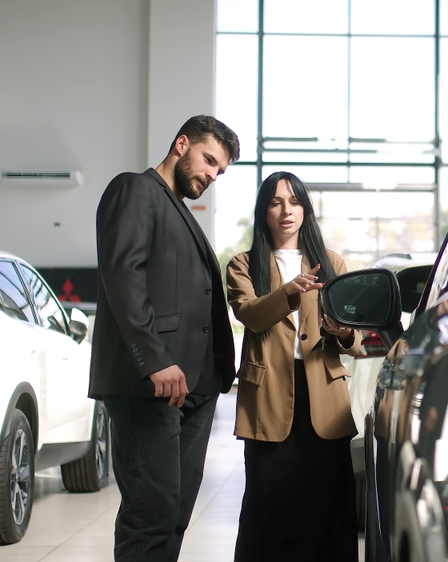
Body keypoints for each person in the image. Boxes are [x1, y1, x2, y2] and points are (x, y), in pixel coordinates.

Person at [88, 115, 240, 562]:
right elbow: (124, 276)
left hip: (195, 389)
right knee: (149, 518)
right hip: (151, 385)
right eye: (209, 161)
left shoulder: (181, 211)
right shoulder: (134, 190)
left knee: (174, 516)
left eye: (220, 171)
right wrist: (154, 359)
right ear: (181, 144)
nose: (212, 176)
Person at [226, 171, 361, 561]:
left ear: (305, 210)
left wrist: (342, 331)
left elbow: (353, 339)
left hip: (324, 396)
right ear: (263, 212)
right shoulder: (243, 264)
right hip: (269, 396)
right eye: (276, 202)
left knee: (327, 505)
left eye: (295, 201)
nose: (286, 210)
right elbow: (251, 315)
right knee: (268, 506)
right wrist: (289, 290)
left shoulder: (332, 263)